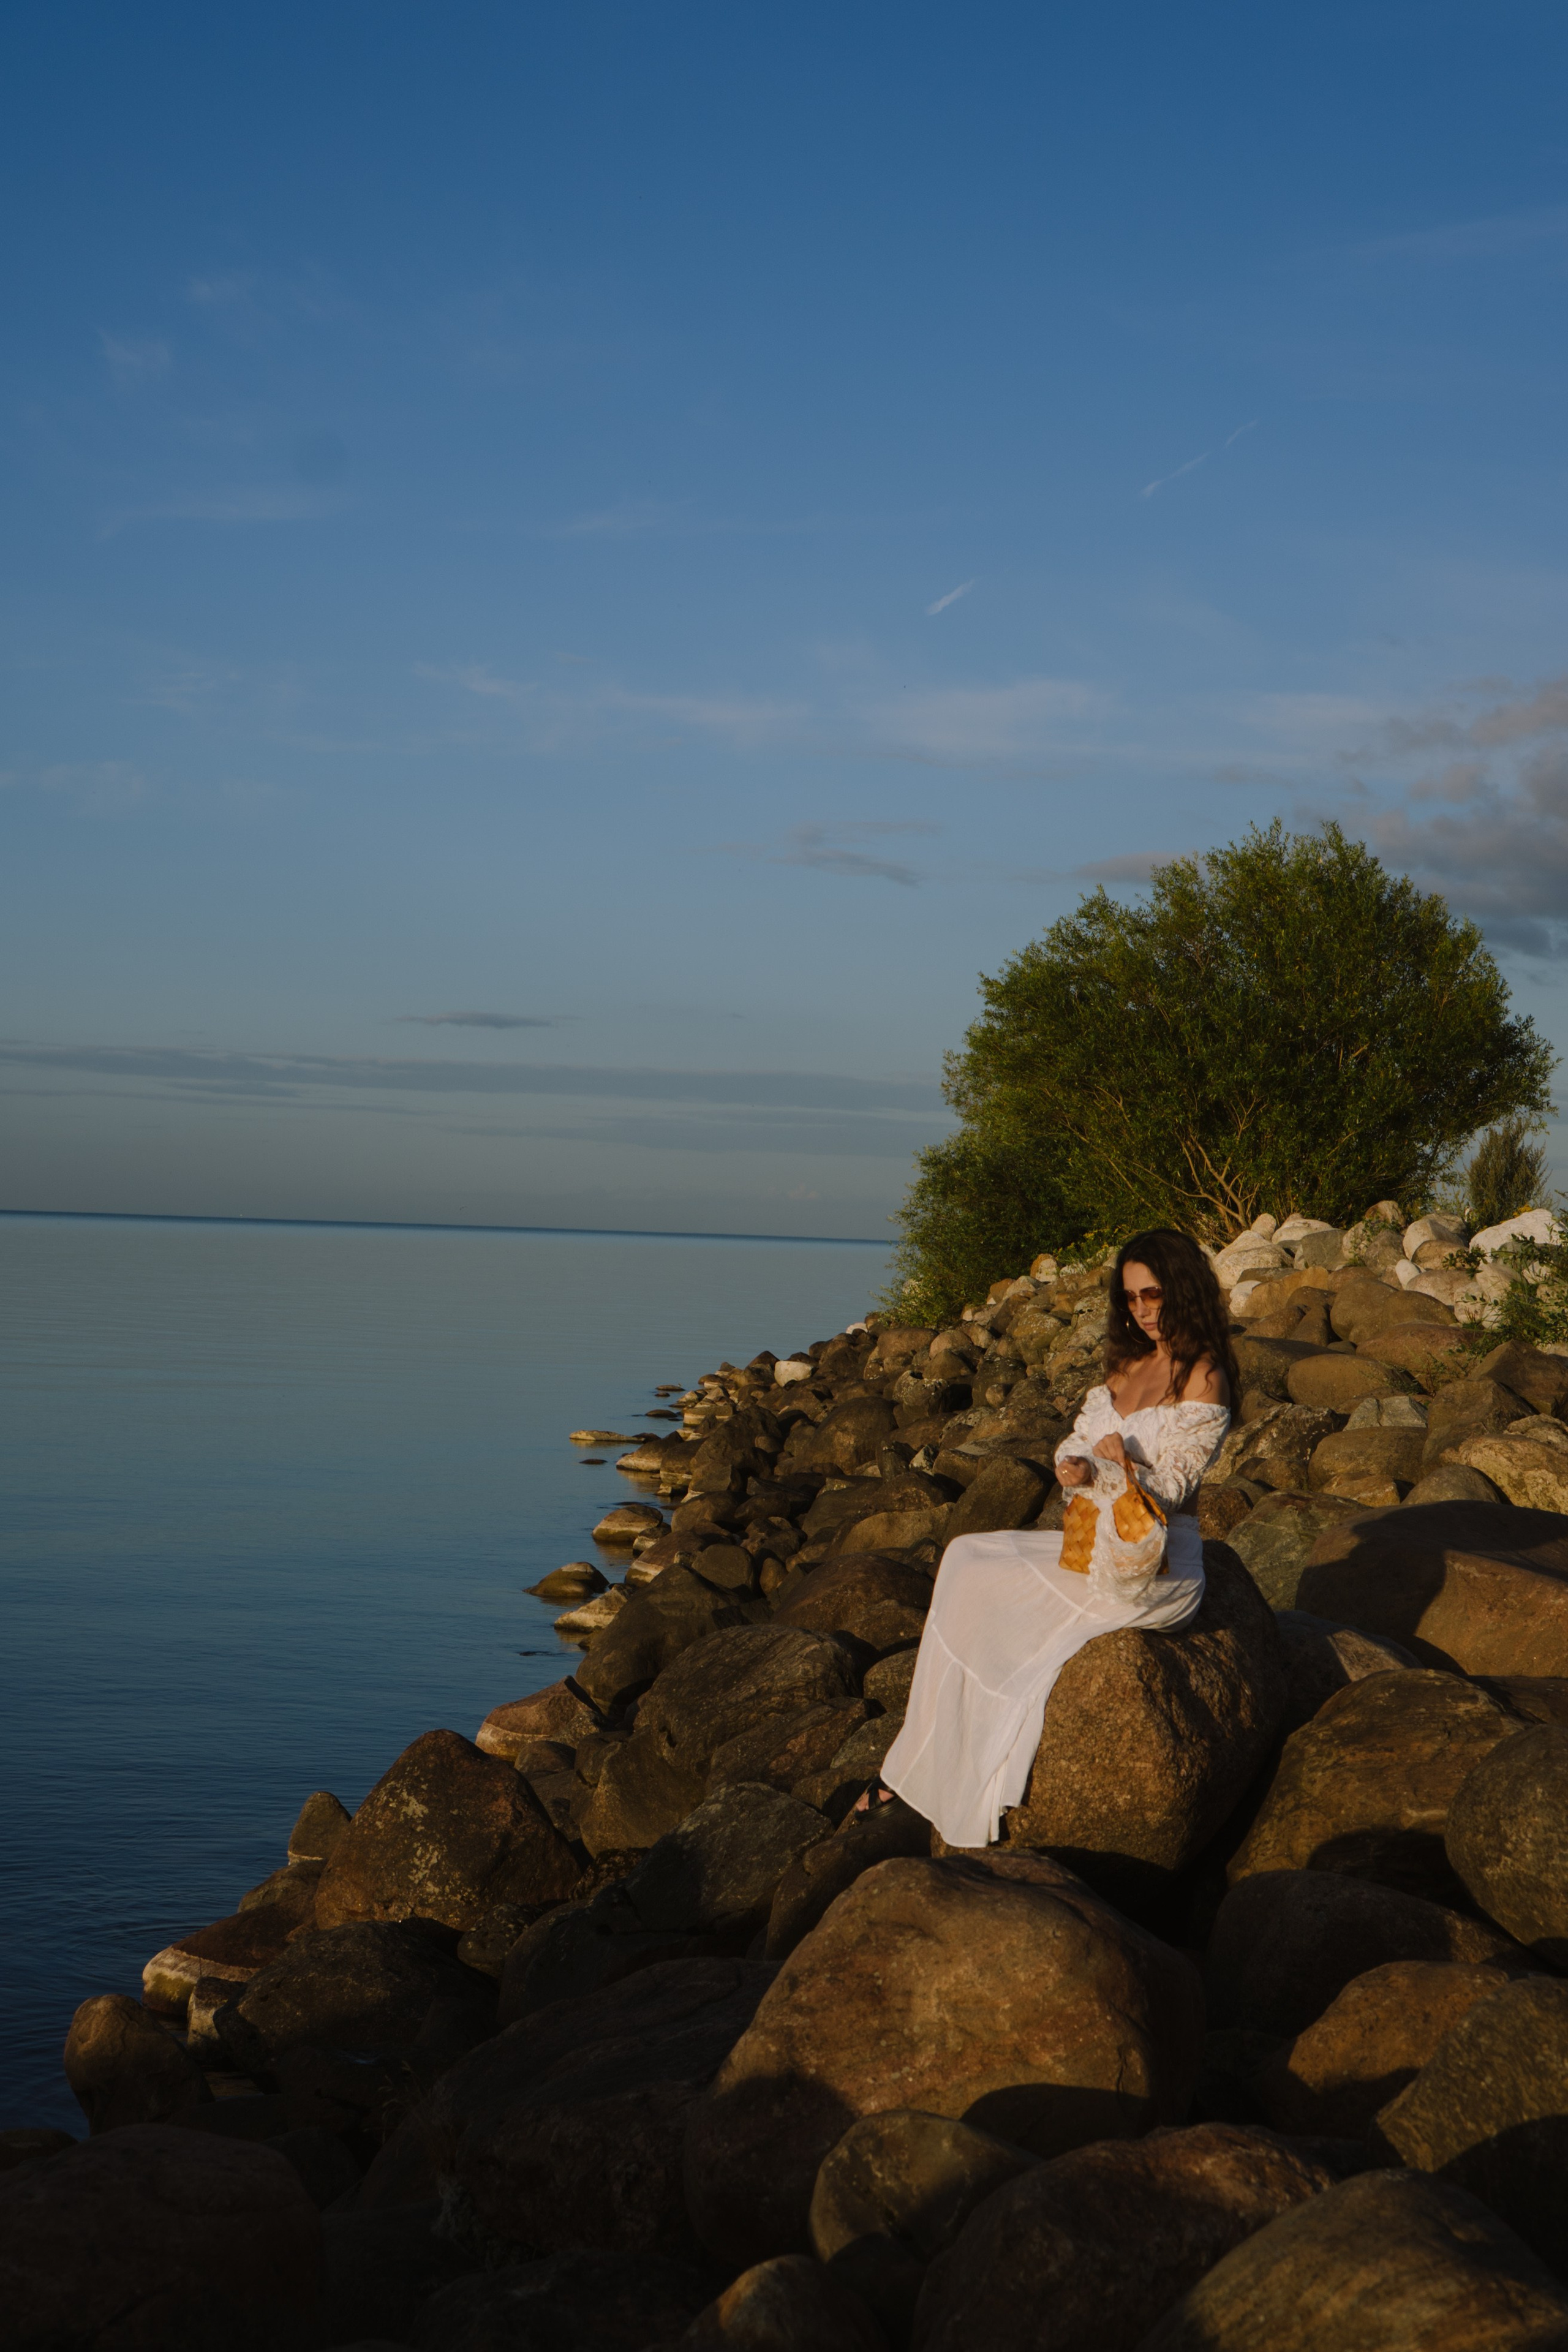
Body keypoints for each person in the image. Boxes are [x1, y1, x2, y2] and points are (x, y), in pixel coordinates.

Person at [870, 1227, 1235, 1850]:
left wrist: (1116, 1466)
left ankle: (967, 1774)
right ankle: (924, 1757)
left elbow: (1172, 1485)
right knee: (965, 1556)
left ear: (1183, 1290)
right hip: (1098, 1545)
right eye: (1131, 1299)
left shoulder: (1205, 1375)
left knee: (1013, 1611)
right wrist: (1077, 1470)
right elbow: (1076, 1444)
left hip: (1158, 1565)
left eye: (1153, 1294)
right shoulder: (1126, 1365)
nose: (1143, 1311)